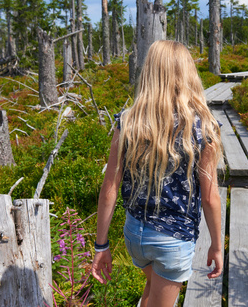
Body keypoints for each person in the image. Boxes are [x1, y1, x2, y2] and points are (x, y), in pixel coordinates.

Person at [91, 40, 224, 307]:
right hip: (173, 242)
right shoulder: (204, 127)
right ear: (188, 73)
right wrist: (217, 246)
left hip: (134, 236)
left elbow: (110, 189)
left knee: (153, 286)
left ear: (149, 72)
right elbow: (210, 198)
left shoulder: (128, 121)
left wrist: (101, 246)